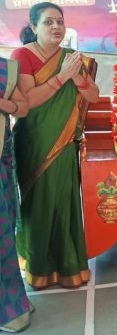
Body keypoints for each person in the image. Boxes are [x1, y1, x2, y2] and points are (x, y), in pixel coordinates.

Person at [11, 1, 99, 289]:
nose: (56, 27)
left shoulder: (72, 58)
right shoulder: (22, 55)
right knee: (39, 203)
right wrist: (62, 77)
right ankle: (39, 267)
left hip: (64, 143)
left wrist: (78, 78)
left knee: (64, 202)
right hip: (35, 142)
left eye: (59, 21)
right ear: (34, 26)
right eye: (48, 22)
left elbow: (93, 95)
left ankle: (68, 265)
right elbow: (28, 100)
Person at [0, 57, 32, 333]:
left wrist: (3, 104)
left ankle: (10, 304)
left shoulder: (4, 70)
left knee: (3, 234)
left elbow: (22, 107)